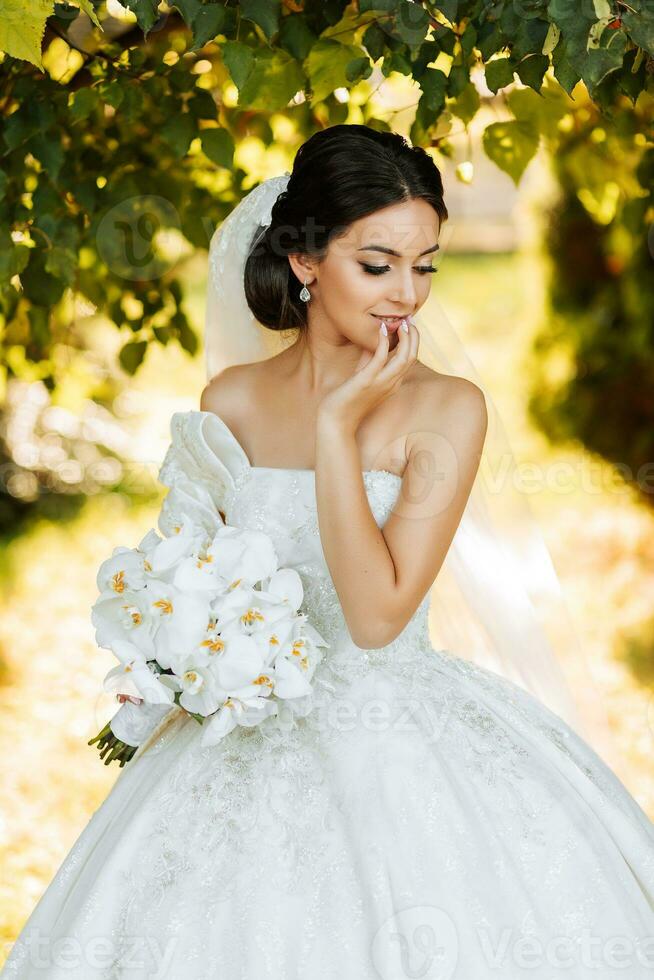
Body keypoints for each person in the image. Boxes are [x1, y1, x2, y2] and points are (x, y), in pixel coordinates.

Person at [2, 125, 653, 980]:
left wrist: (338, 429)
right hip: (236, 736)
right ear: (305, 261)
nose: (407, 296)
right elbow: (194, 572)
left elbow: (377, 616)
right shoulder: (229, 401)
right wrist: (177, 660)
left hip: (397, 735)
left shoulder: (448, 410)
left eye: (425, 266)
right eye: (377, 264)